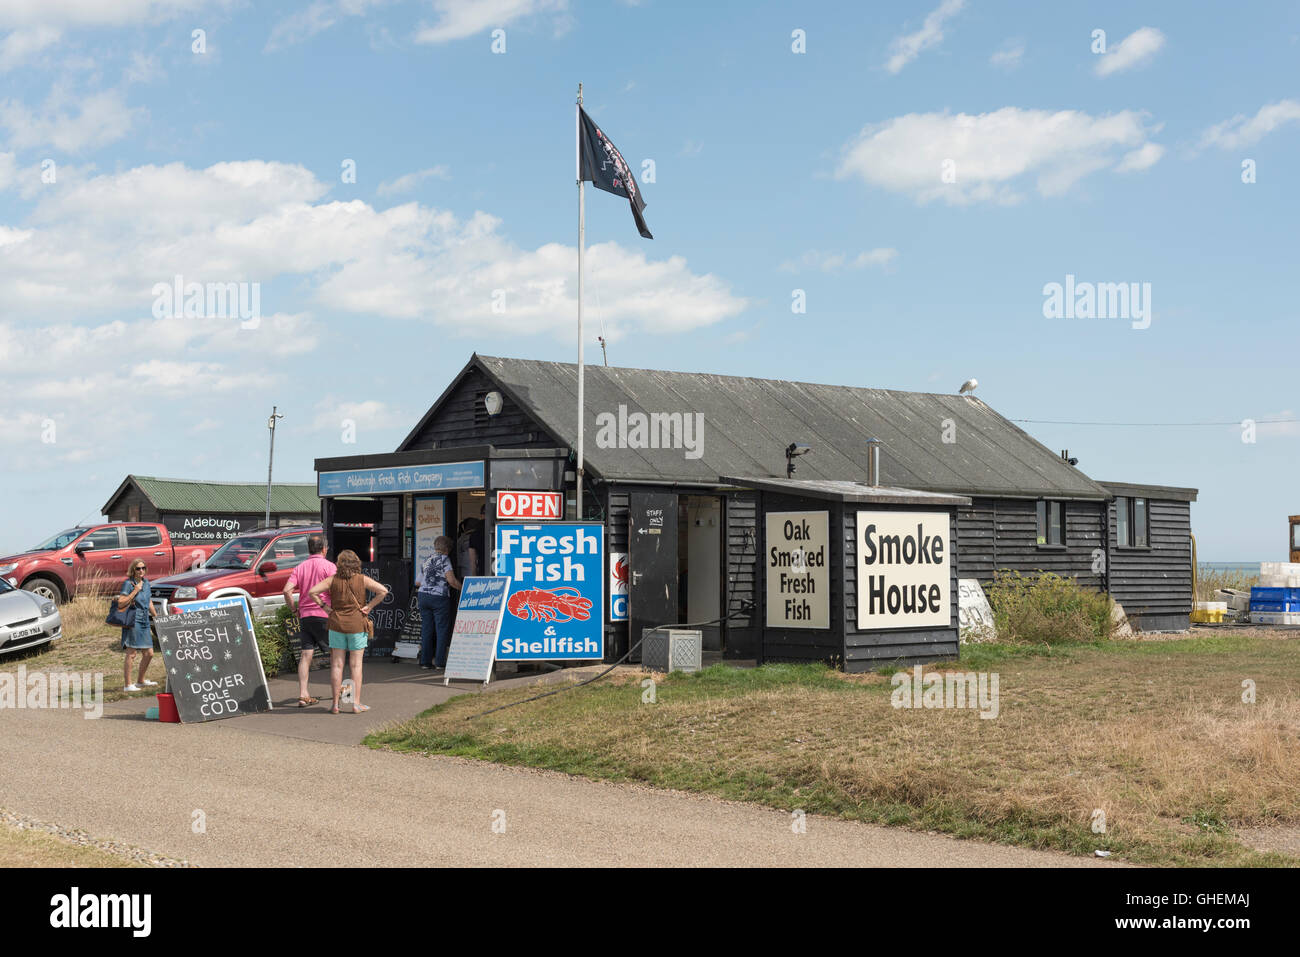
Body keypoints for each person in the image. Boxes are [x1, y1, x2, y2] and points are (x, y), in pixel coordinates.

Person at [307, 550, 387, 715]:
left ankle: (336, 704)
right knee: (356, 665)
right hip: (357, 625)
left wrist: (325, 608)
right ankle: (355, 704)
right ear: (356, 563)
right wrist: (369, 606)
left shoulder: (332, 580)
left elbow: (312, 592)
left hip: (336, 625)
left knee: (337, 665)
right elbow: (383, 591)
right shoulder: (362, 579)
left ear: (339, 564)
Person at [283, 533, 336, 707]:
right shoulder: (329, 567)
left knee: (306, 655)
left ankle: (303, 694)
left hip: (305, 616)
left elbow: (286, 590)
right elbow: (336, 590)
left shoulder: (300, 567)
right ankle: (339, 692)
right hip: (324, 615)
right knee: (336, 654)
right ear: (324, 549)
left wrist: (294, 609)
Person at [416, 535, 461, 671]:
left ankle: (425, 661)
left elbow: (417, 582)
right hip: (439, 598)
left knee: (427, 629)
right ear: (448, 549)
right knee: (441, 630)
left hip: (423, 596)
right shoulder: (445, 559)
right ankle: (440, 662)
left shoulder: (427, 559)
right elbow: (451, 581)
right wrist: (464, 588)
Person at [117, 559, 158, 693]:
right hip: (133, 620)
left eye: (143, 568)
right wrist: (135, 591)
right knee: (132, 653)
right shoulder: (128, 584)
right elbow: (121, 602)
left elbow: (148, 600)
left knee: (149, 653)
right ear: (133, 570)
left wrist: (156, 616)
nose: (141, 571)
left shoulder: (146, 583)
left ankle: (140, 681)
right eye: (138, 568)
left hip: (145, 619)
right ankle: (128, 685)